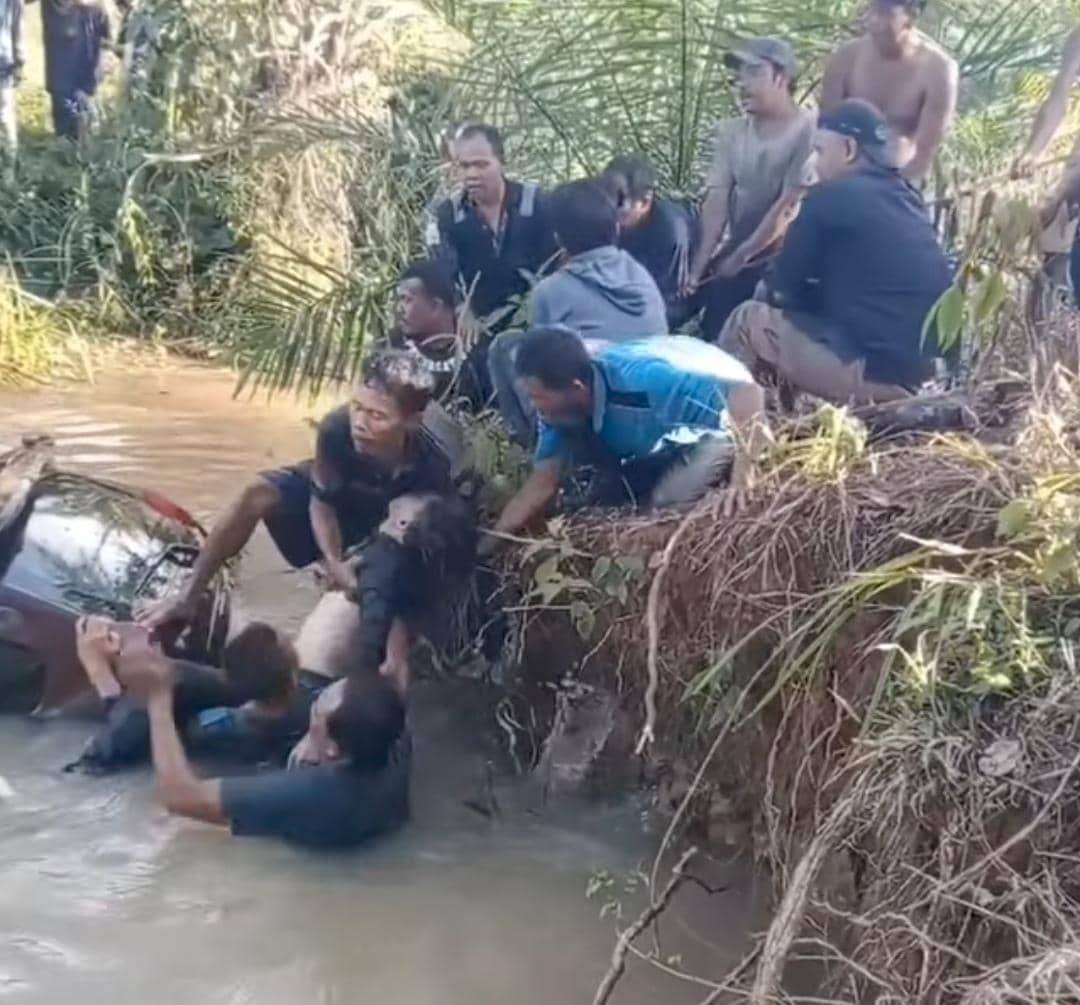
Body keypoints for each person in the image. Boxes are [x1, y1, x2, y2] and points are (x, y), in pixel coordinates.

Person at [137, 351, 454, 633]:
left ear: (412, 422)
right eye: (357, 407)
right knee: (256, 493)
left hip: (388, 520)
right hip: (340, 500)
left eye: (377, 416)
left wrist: (357, 565)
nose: (360, 423)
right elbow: (321, 502)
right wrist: (333, 560)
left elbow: (413, 540)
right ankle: (188, 596)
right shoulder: (337, 427)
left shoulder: (433, 465)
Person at [79, 618, 411, 850]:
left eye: (320, 710)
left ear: (335, 751)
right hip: (361, 814)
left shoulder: (313, 791)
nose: (316, 700)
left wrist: (151, 696)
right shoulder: (391, 729)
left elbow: (180, 798)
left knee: (166, 822)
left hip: (312, 829)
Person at [717, 100, 953, 406]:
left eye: (819, 151)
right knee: (808, 326)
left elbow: (782, 291)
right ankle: (779, 417)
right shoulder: (908, 197)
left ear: (848, 149)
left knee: (747, 320)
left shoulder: (828, 197)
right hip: (928, 378)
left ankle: (717, 428)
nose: (813, 164)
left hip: (878, 378)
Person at [486, 327, 767, 547]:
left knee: (665, 503)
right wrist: (490, 542)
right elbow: (541, 485)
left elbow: (747, 393)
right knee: (599, 501)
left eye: (538, 396)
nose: (534, 406)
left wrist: (744, 477)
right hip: (660, 437)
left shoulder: (645, 383)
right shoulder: (557, 413)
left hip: (724, 420)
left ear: (576, 387)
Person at [685, 37, 817, 340]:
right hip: (740, 250)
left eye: (753, 73)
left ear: (781, 78)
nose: (742, 84)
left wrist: (741, 256)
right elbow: (716, 202)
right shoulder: (731, 132)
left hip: (789, 256)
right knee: (712, 319)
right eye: (738, 77)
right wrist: (698, 267)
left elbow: (789, 205)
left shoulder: (809, 129)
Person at [426, 123, 558, 332]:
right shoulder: (450, 215)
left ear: (502, 161)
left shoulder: (535, 203)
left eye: (481, 165)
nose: (471, 174)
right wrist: (461, 308)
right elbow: (445, 272)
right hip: (480, 330)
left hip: (541, 324)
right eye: (464, 166)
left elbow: (558, 263)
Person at [821, 0, 958, 183]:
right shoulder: (847, 57)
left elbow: (924, 153)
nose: (873, 20)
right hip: (842, 172)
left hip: (901, 177)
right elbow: (827, 125)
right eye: (871, 10)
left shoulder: (938, 69)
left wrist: (895, 191)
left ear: (911, 16)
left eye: (885, 14)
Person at [528, 178, 669, 341]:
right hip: (653, 363)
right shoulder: (640, 273)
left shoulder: (550, 291)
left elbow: (538, 357)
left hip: (592, 366)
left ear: (558, 238)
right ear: (616, 227)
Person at [602, 155, 697, 328]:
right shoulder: (608, 219)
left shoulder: (671, 231)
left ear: (645, 202)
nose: (610, 212)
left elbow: (672, 302)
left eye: (619, 205)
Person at [391, 260, 487, 410]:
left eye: (407, 300)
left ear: (436, 306)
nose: (399, 309)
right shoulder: (393, 348)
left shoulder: (478, 352)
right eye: (399, 300)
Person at [40, 0, 112, 140]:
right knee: (64, 126)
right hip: (60, 75)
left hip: (86, 75)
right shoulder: (52, 5)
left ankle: (84, 152)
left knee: (86, 124)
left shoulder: (98, 9)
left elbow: (107, 43)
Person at [0, 0, 23, 183]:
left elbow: (18, 28)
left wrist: (20, 61)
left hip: (3, 64)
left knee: (5, 117)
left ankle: (9, 172)